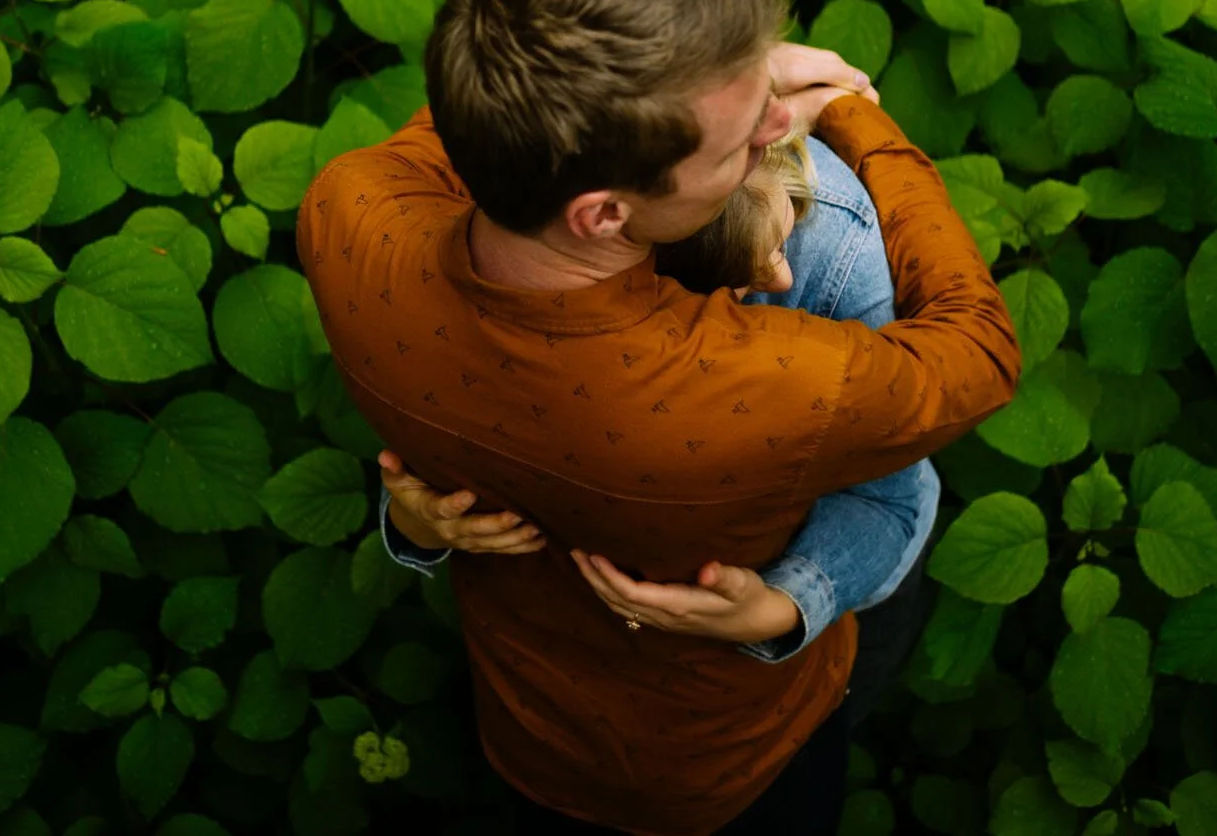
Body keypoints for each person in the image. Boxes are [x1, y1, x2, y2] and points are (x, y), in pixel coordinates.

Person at [297, 0, 1019, 836]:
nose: (776, 127)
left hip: (523, 724)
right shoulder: (748, 380)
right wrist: (857, 118)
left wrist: (725, 75)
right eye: (740, 144)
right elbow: (980, 354)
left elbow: (492, 101)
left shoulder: (347, 211)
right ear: (603, 213)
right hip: (730, 771)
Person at [376, 132, 941, 736]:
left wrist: (784, 605)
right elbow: (460, 395)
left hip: (805, 627)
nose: (780, 279)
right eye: (744, 269)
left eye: (780, 246)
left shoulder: (827, 237)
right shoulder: (524, 240)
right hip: (556, 655)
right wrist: (419, 518)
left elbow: (888, 491)